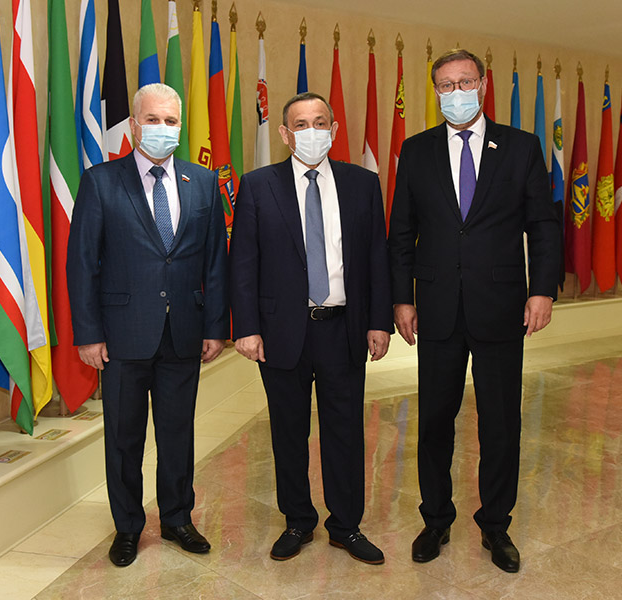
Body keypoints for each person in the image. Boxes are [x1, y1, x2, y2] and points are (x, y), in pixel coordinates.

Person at [388, 48, 561, 573]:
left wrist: (543, 289)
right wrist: (401, 298)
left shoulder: (521, 146)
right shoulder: (415, 150)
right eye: (446, 85)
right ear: (435, 92)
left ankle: (496, 525)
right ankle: (435, 519)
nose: (456, 92)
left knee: (501, 422)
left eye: (465, 82)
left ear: (483, 85)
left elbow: (543, 225)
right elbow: (401, 232)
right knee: (435, 421)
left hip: (501, 306)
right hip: (436, 307)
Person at [67, 82, 229, 567]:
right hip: (122, 336)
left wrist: (215, 326)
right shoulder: (101, 181)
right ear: (135, 125)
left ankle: (178, 518)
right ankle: (128, 527)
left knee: (178, 434)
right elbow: (82, 264)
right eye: (153, 120)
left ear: (181, 125)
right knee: (124, 438)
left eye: (171, 121)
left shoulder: (203, 182)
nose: (163, 128)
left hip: (184, 332)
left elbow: (214, 261)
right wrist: (88, 334)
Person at [229, 92, 394, 565]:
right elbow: (244, 262)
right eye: (301, 124)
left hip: (343, 329)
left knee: (345, 431)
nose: (312, 132)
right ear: (285, 134)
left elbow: (376, 258)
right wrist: (247, 327)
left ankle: (346, 525)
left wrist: (379, 322)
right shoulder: (258, 185)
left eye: (320, 122)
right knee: (288, 432)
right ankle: (298, 520)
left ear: (334, 129)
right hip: (282, 331)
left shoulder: (363, 184)